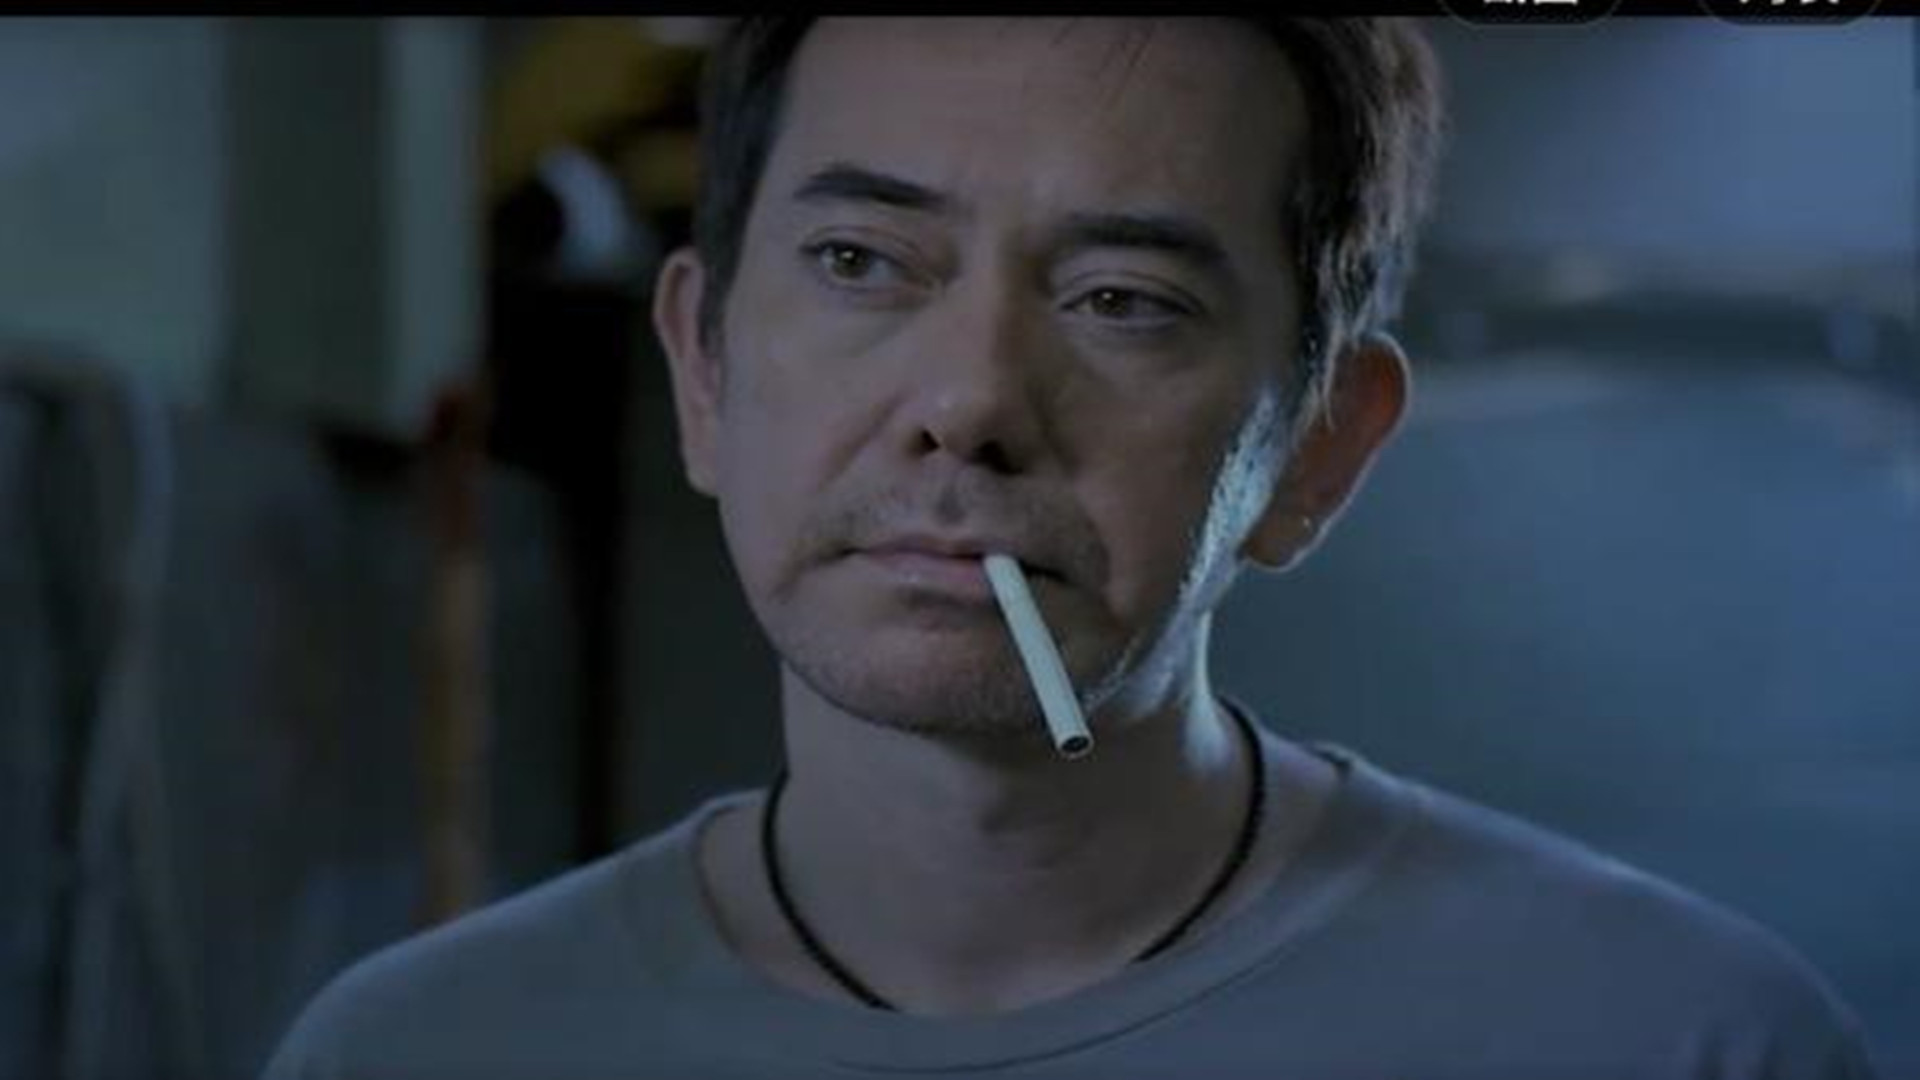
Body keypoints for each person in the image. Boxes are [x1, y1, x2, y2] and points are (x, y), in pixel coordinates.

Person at [265, 17, 1878, 1078]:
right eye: (860, 261)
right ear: (703, 372)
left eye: (1124, 300)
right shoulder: (417, 1054)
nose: (967, 403)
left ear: (1320, 448)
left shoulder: (1675, 1042)